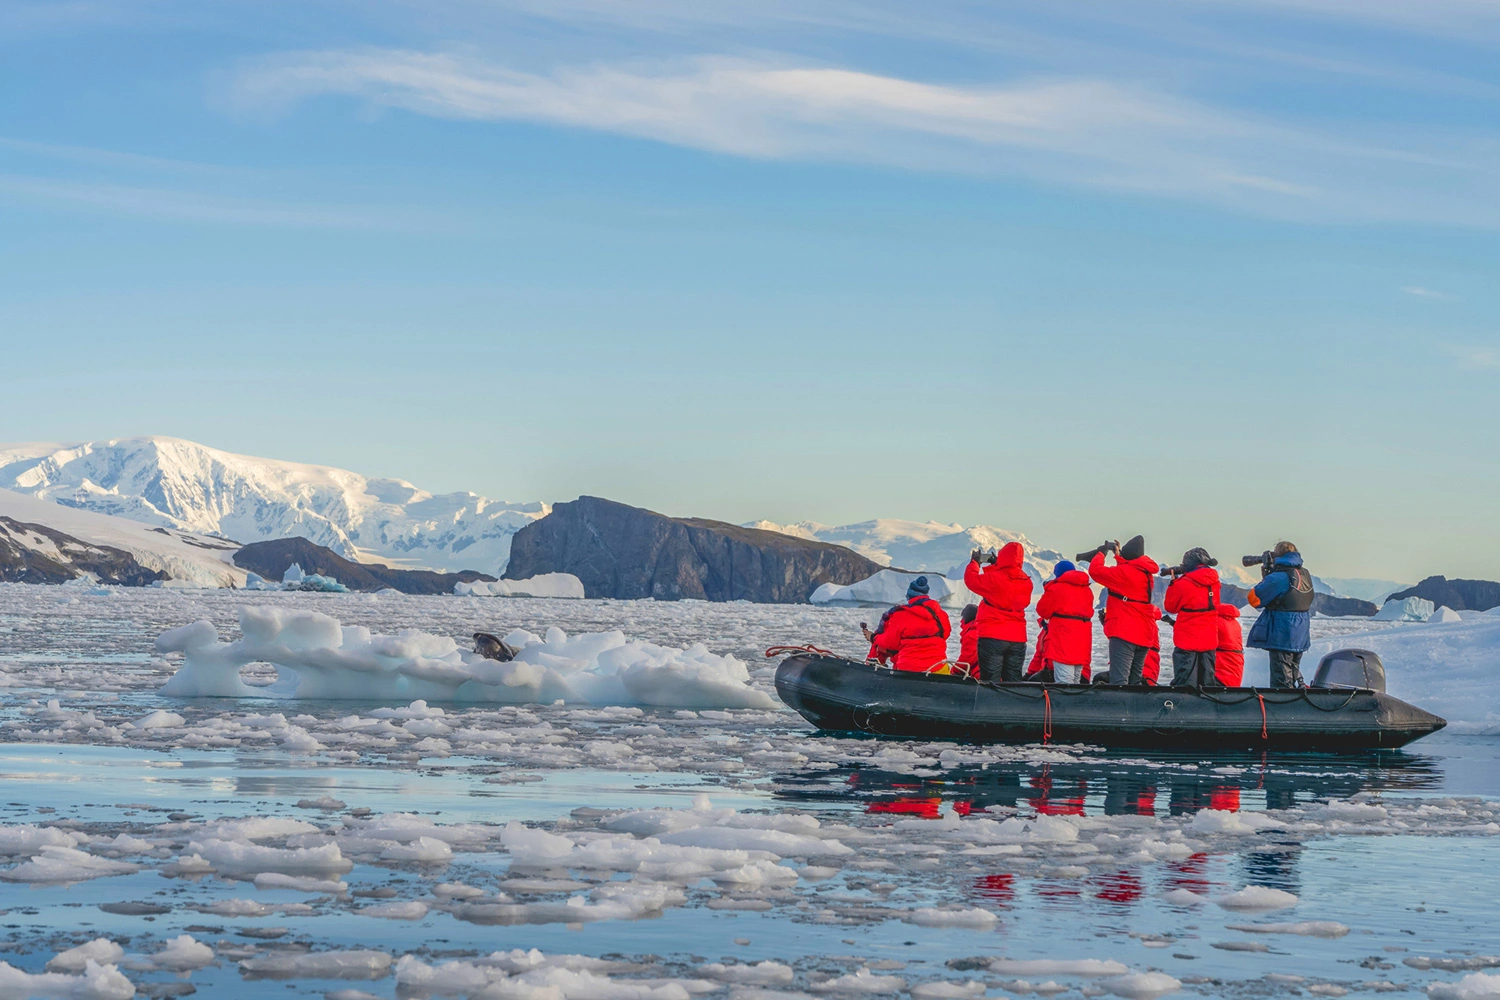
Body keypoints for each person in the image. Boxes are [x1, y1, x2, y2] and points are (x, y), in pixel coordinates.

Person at [1086, 535, 1160, 685]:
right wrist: (1119, 556)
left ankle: (1119, 708)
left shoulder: (1124, 574)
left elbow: (1095, 571)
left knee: (1119, 682)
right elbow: (1128, 571)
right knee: (1134, 681)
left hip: (1125, 633)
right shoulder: (1145, 572)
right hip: (1144, 635)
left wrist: (1100, 554)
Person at [1246, 541, 1314, 688]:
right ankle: (1297, 705)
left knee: (1281, 680)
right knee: (1293, 671)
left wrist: (1267, 577)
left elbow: (1254, 599)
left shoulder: (1279, 577)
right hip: (1300, 634)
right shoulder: (1304, 574)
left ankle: (1282, 706)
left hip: (1282, 633)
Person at [963, 541, 1033, 683]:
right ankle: (1013, 704)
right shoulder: (1026, 581)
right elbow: (1005, 581)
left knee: (990, 681)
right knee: (1013, 681)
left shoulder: (995, 579)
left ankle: (989, 704)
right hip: (1017, 638)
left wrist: (974, 563)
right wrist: (997, 566)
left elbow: (971, 580)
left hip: (992, 636)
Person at [864, 576, 953, 673]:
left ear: (909, 596)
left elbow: (890, 642)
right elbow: (945, 634)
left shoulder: (900, 615)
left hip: (908, 670)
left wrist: (873, 637)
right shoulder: (941, 615)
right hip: (938, 668)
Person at [1163, 548, 1221, 688]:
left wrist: (1173, 584)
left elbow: (1170, 607)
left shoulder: (1183, 583)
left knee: (1186, 683)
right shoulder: (1215, 582)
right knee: (1207, 681)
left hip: (1187, 639)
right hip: (1209, 637)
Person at [1032, 560, 1094, 684]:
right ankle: (1076, 703)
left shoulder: (1057, 588)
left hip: (1063, 641)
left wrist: (1048, 588)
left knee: (1064, 681)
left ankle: (1065, 704)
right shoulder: (1087, 590)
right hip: (1081, 642)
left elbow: (1042, 610)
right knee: (1076, 680)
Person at [1215, 603, 1245, 687]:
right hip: (1236, 661)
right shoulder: (1234, 623)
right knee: (1230, 686)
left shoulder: (1216, 621)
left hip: (1222, 662)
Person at [958, 604, 980, 678]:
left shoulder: (972, 634)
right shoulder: (981, 630)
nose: (961, 621)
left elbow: (967, 659)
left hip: (979, 675)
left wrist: (955, 671)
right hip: (993, 674)